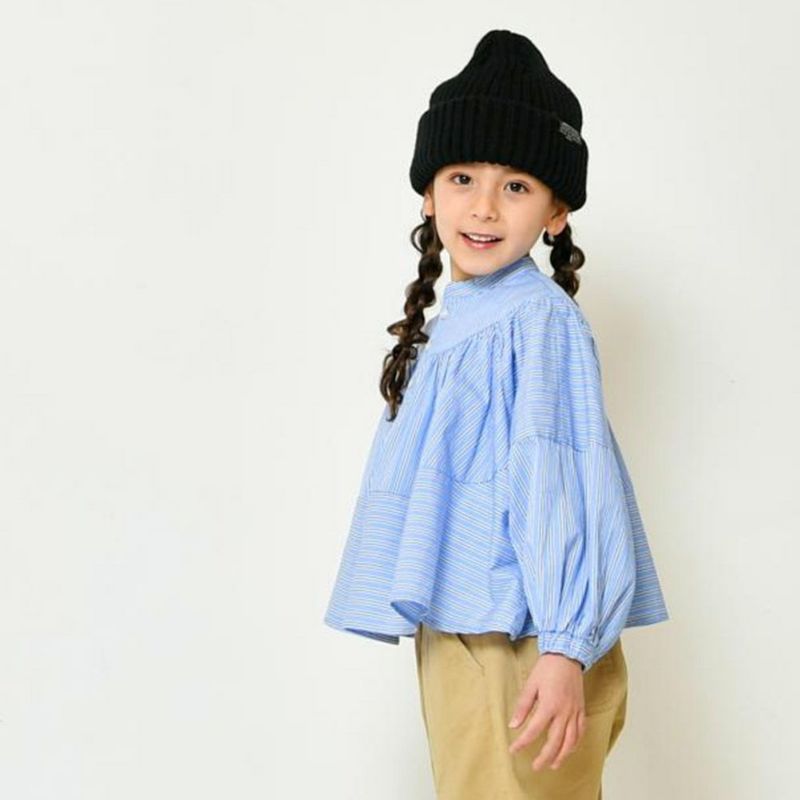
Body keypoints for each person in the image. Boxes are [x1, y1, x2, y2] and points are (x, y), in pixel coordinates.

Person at [324, 28, 669, 800]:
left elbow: (561, 480)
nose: (483, 206)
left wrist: (566, 646)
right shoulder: (461, 323)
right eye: (462, 178)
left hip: (523, 638)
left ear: (556, 209)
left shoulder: (536, 322)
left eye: (515, 186)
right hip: (466, 630)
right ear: (428, 193)